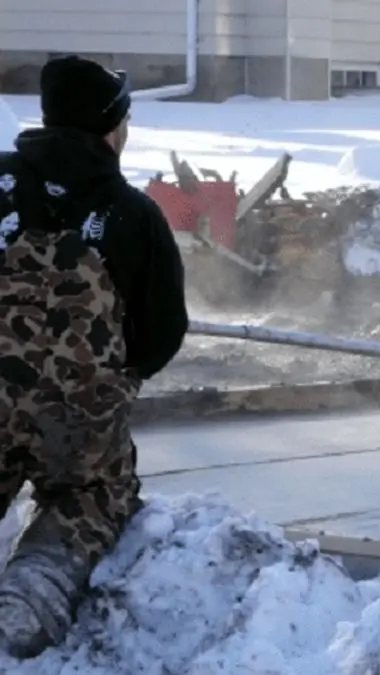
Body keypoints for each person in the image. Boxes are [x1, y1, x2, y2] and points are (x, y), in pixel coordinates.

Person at [0, 55, 189, 657]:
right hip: (77, 419)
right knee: (91, 493)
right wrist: (114, 381)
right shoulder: (131, 213)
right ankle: (35, 587)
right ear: (113, 127)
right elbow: (162, 331)